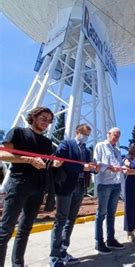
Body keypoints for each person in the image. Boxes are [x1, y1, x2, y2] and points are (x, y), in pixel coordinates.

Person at [0, 107, 56, 267]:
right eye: (43, 118)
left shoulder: (47, 142)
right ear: (33, 117)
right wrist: (28, 159)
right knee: (6, 229)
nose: (46, 122)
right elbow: (2, 154)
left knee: (25, 229)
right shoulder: (18, 132)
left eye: (49, 120)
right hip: (19, 184)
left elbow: (46, 163)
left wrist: (55, 164)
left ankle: (18, 264)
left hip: (38, 188)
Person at [49, 123, 96, 267]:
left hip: (81, 187)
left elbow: (88, 166)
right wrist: (83, 167)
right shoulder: (66, 144)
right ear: (77, 131)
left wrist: (94, 169)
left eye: (88, 135)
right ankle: (54, 257)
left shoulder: (87, 151)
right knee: (61, 220)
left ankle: (64, 251)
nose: (86, 137)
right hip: (66, 186)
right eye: (84, 133)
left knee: (71, 220)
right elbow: (61, 162)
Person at [93, 127, 124, 255]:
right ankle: (99, 242)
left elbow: (119, 165)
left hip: (116, 184)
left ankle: (110, 239)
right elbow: (96, 163)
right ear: (108, 134)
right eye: (114, 135)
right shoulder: (100, 146)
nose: (116, 138)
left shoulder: (117, 150)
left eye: (118, 136)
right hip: (105, 184)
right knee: (101, 214)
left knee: (112, 214)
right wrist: (109, 168)